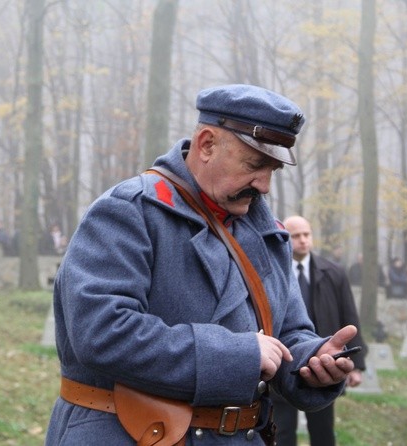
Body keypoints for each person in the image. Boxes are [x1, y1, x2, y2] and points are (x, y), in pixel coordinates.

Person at [45, 84, 359, 446]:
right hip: (128, 434)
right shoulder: (130, 211)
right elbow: (102, 332)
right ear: (207, 144)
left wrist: (312, 364)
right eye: (255, 165)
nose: (266, 186)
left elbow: (287, 335)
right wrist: (239, 355)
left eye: (273, 170)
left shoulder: (267, 233)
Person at [272, 215, 367, 446]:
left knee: (323, 433)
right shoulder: (274, 274)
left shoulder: (334, 272)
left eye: (306, 235)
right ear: (286, 238)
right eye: (295, 236)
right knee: (281, 433)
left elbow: (349, 317)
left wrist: (357, 366)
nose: (303, 240)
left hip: (324, 365)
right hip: (283, 366)